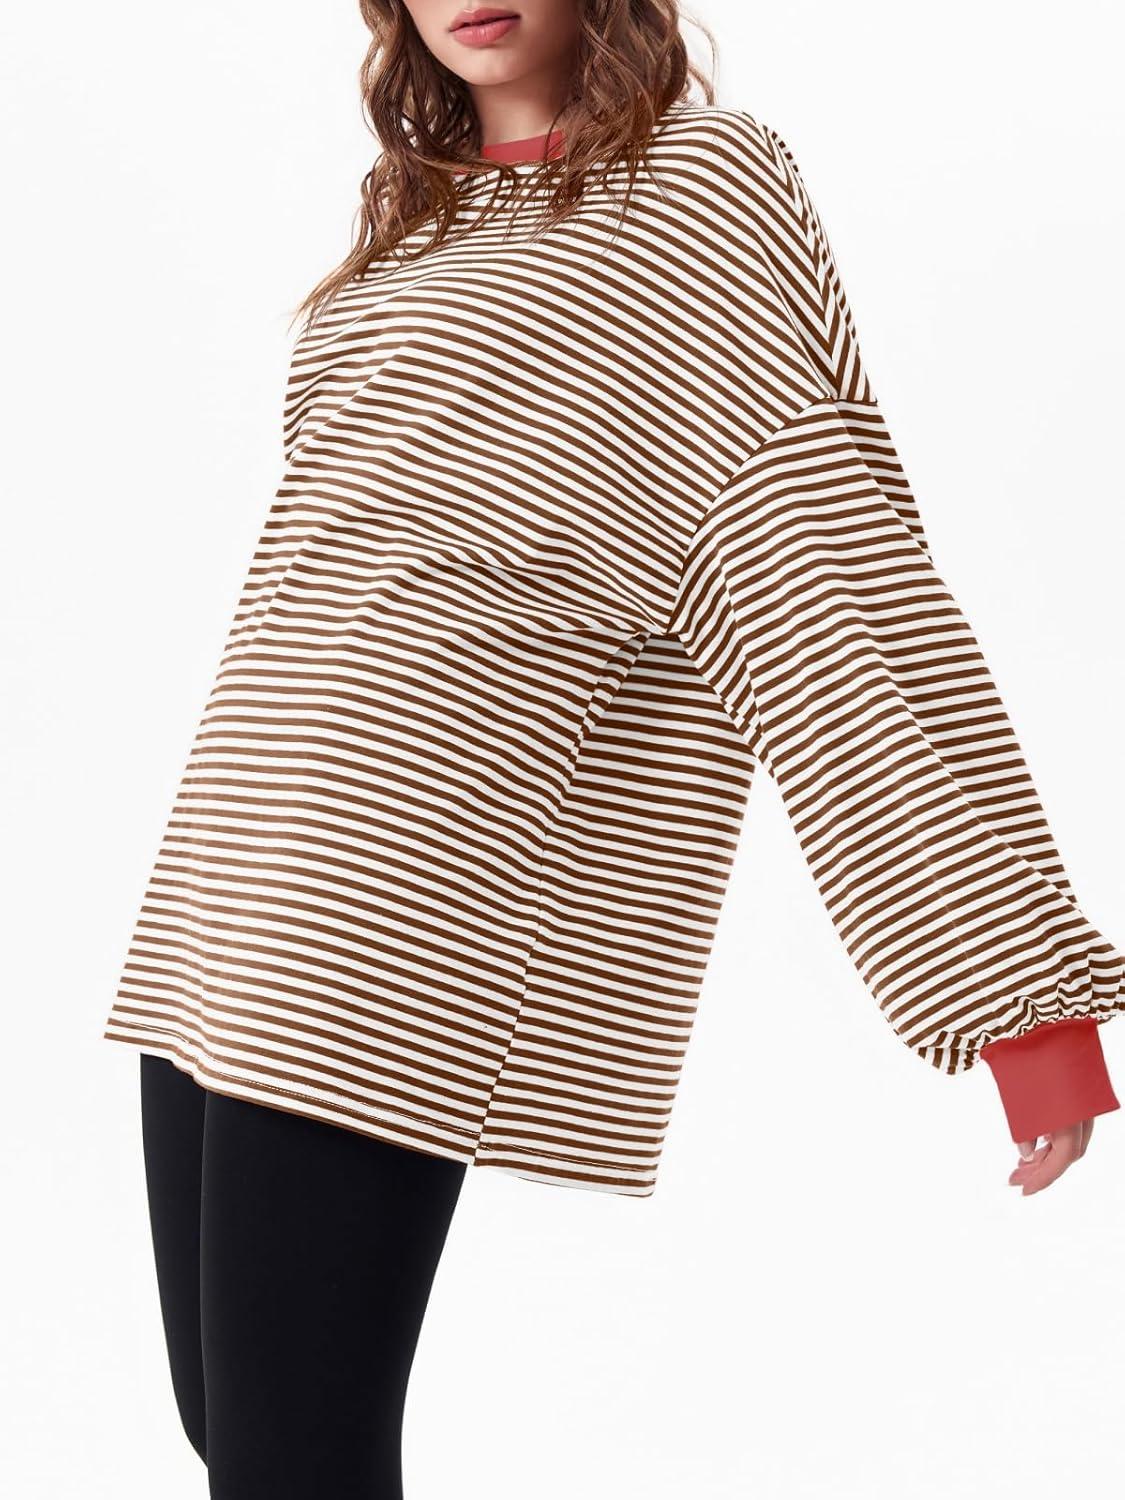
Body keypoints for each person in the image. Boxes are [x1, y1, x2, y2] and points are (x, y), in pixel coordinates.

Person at [104, 2, 1125, 1495]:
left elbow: (822, 568)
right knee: (225, 1421)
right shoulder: (407, 222)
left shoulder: (698, 188)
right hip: (230, 870)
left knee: (292, 1451)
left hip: (394, 878)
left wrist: (1019, 1006)